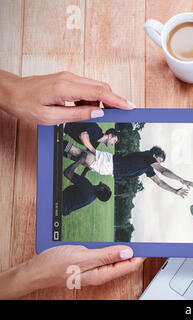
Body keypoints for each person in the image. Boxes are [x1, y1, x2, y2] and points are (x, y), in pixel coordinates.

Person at [0, 70, 143, 299]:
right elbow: (85, 135)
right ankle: (65, 149)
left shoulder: (92, 176)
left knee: (79, 155)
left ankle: (65, 150)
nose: (115, 142)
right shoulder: (97, 136)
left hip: (66, 155)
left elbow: (84, 152)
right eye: (115, 139)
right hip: (61, 129)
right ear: (111, 135)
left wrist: (9, 89)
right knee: (79, 155)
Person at [65, 143, 193, 198]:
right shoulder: (148, 156)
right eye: (159, 160)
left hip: (109, 164)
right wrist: (182, 180)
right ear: (155, 155)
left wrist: (175, 191)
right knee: (80, 154)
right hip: (109, 164)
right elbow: (163, 171)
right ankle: (61, 144)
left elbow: (159, 182)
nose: (158, 164)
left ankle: (61, 147)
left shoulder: (147, 167)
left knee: (80, 155)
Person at [62, 152, 112, 216]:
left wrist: (80, 160)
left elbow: (67, 173)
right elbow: (81, 186)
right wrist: (85, 171)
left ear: (101, 189)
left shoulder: (88, 188)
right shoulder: (93, 195)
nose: (105, 184)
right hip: (63, 209)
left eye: (106, 186)